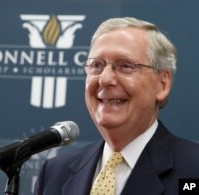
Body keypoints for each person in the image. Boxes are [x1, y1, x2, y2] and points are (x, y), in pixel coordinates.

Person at [34, 17, 199, 195]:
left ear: (162, 84)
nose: (105, 79)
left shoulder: (193, 168)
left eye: (125, 66)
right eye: (96, 65)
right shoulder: (55, 173)